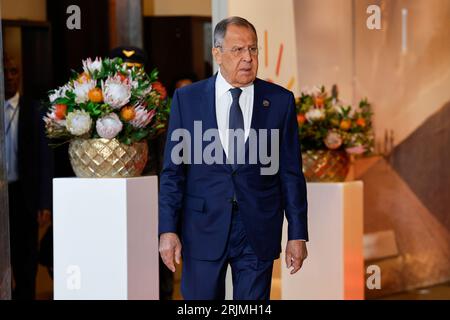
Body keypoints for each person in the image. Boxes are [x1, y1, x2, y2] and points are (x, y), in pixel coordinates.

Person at [158, 17, 308, 300]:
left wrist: (297, 234)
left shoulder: (279, 101)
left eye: (253, 49)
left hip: (257, 228)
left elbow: (290, 173)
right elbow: (173, 173)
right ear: (217, 53)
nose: (248, 58)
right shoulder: (186, 100)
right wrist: (167, 230)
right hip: (202, 227)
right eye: (238, 50)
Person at [3, 55, 53, 299]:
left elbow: (45, 159)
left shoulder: (34, 110)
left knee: (25, 263)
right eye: (5, 72)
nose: (9, 77)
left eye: (13, 71)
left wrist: (45, 201)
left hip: (24, 196)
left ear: (20, 74)